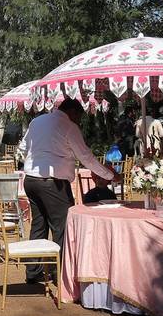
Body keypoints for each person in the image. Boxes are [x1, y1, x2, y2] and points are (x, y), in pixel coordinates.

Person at [17, 98, 118, 283]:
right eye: (79, 116)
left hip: (30, 179)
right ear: (73, 112)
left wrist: (39, 158)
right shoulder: (69, 127)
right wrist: (110, 175)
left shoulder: (37, 121)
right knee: (61, 228)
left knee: (38, 226)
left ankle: (33, 272)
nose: (79, 121)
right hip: (52, 183)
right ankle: (60, 275)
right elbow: (86, 157)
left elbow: (23, 148)